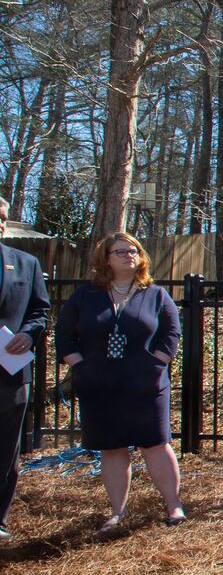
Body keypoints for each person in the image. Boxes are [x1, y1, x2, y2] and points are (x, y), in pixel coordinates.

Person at [57, 233, 185, 532]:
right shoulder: (85, 296)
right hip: (99, 384)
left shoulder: (154, 294)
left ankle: (173, 504)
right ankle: (118, 512)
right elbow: (64, 335)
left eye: (134, 250)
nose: (130, 255)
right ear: (106, 259)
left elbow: (171, 333)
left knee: (155, 444)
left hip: (145, 384)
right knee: (112, 448)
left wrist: (157, 363)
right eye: (121, 251)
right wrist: (81, 366)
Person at [0, 197, 50, 542]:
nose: (0, 223)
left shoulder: (25, 263)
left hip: (10, 374)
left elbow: (39, 311)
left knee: (5, 449)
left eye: (2, 218)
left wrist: (28, 335)